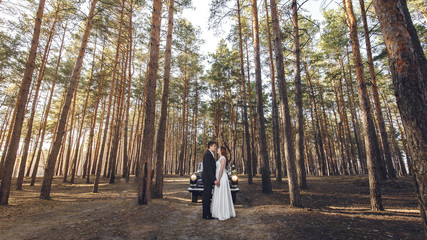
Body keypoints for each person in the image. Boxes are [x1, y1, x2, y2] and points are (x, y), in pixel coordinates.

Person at [211, 146, 236, 220]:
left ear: (221, 151)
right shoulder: (220, 158)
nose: (217, 150)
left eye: (218, 149)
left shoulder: (222, 158)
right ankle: (219, 211)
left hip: (222, 178)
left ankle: (223, 212)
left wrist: (218, 179)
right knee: (219, 194)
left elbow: (221, 169)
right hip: (220, 177)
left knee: (222, 194)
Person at [202, 141, 219, 220]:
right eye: (214, 146)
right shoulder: (207, 155)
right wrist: (214, 179)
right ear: (210, 146)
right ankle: (206, 214)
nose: (215, 148)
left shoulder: (210, 155)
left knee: (208, 196)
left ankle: (207, 213)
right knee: (206, 197)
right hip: (207, 179)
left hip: (209, 179)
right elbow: (209, 169)